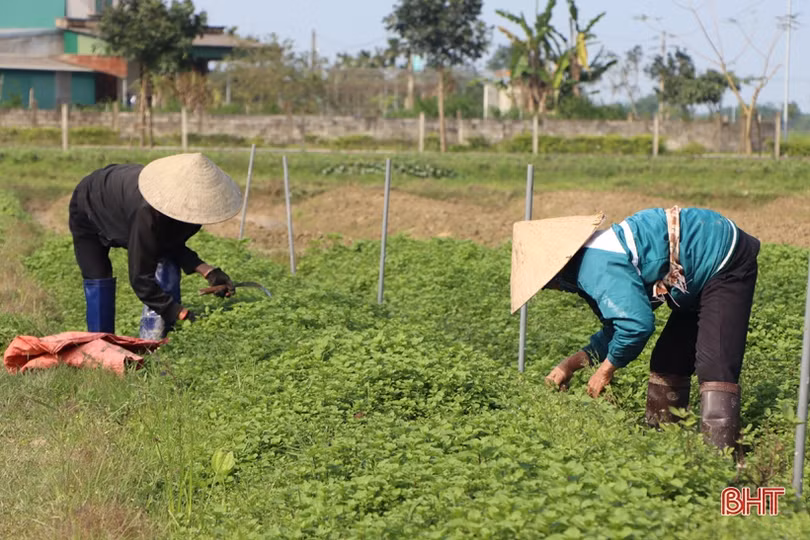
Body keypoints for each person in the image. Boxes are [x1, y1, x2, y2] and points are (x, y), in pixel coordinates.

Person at [510, 207, 760, 450]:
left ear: (555, 272)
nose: (552, 289)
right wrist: (570, 364)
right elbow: (616, 328)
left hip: (722, 257)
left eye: (545, 284)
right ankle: (664, 451)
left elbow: (636, 326)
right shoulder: (585, 264)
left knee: (714, 364)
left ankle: (719, 464)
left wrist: (606, 370)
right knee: (668, 361)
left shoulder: (596, 267)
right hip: (692, 275)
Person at [69, 153, 243, 339]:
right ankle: (100, 345)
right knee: (98, 277)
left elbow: (169, 244)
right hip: (90, 204)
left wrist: (208, 271)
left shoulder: (189, 215)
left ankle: (159, 339)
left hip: (123, 199)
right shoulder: (148, 213)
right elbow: (140, 278)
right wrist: (177, 312)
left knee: (167, 262)